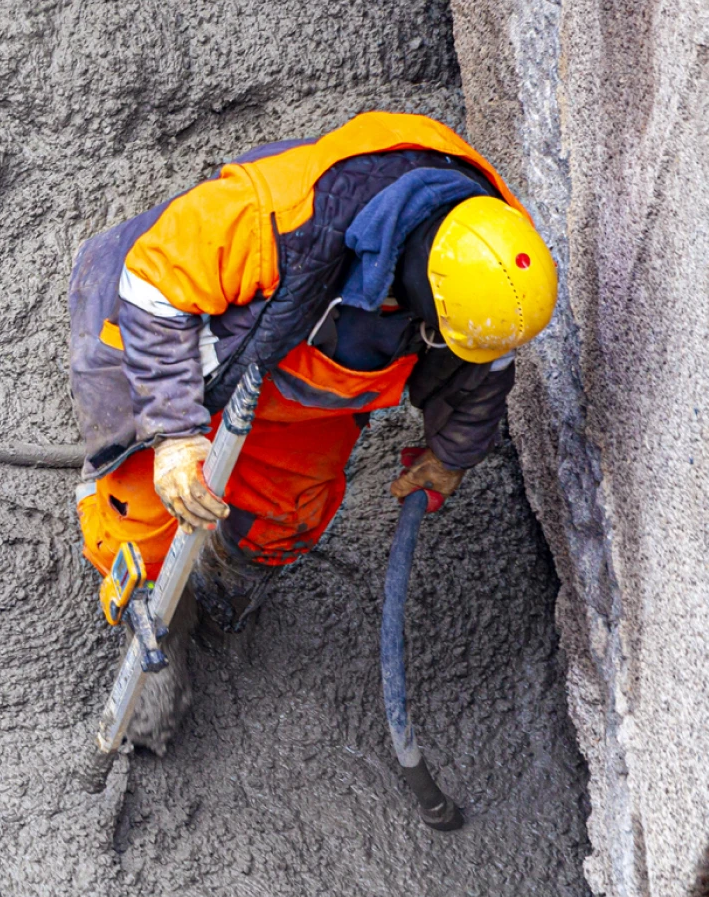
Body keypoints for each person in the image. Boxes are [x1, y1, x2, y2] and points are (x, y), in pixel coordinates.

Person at [66, 111, 557, 749]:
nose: (440, 346)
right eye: (437, 335)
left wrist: (450, 454)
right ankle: (163, 617)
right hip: (155, 331)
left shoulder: (496, 268)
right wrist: (174, 434)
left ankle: (226, 583)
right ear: (415, 283)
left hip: (301, 370)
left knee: (289, 512)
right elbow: (155, 286)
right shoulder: (282, 214)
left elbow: (485, 366)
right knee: (148, 504)